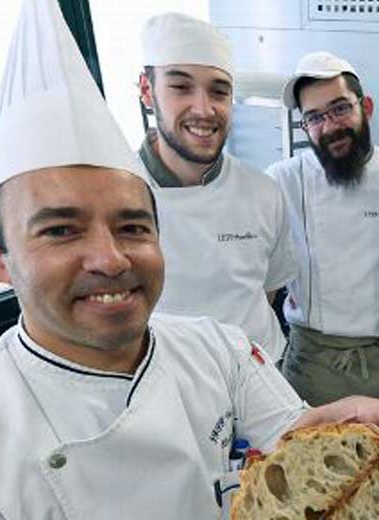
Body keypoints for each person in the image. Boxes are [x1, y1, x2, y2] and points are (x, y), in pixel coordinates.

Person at [0, 2, 379, 518]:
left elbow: (292, 428)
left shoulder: (216, 348)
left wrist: (335, 425)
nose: (109, 257)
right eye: (60, 230)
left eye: (131, 227)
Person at [266, 52, 379, 406]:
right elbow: (264, 280)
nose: (330, 125)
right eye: (315, 117)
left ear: (365, 106)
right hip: (310, 361)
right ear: (304, 126)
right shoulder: (282, 181)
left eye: (340, 109)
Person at [135, 13, 295, 360]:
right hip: (168, 390)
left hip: (262, 380)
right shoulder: (115, 196)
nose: (204, 109)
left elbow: (267, 291)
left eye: (219, 91)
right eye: (181, 87)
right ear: (147, 91)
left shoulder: (263, 192)